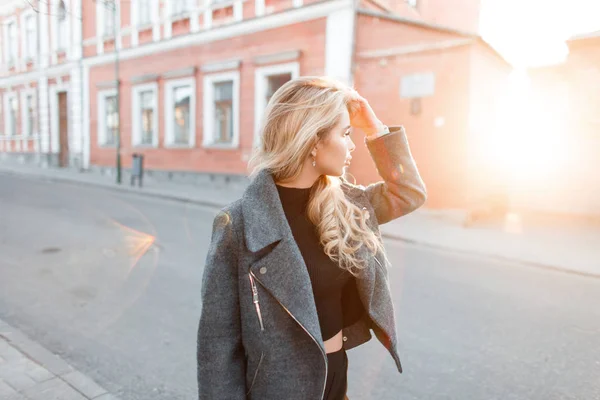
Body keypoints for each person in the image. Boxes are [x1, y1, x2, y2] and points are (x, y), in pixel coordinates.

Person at [197, 76, 427, 400]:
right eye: (346, 134)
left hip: (336, 381)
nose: (352, 144)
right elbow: (218, 344)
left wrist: (376, 129)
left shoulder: (347, 206)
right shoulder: (238, 225)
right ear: (314, 141)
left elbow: (408, 193)